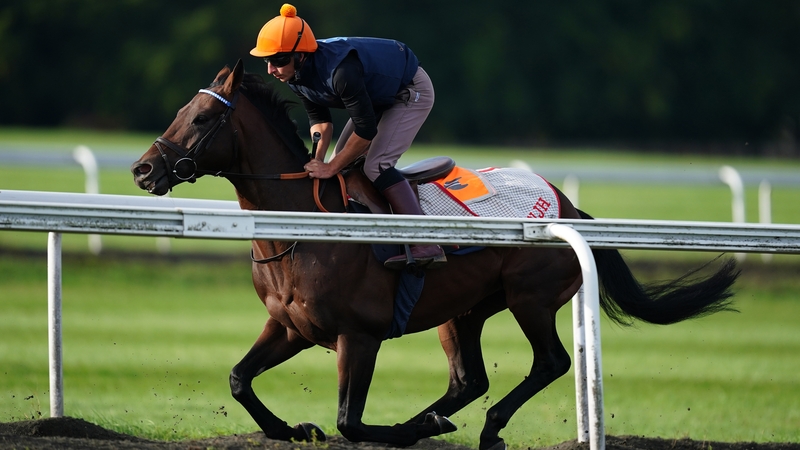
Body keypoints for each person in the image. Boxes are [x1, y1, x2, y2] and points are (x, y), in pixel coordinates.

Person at [250, 3, 445, 270]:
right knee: (339, 166)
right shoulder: (295, 75)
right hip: (376, 96)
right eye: (267, 60)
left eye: (279, 60)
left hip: (409, 90)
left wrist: (331, 166)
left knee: (375, 164)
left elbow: (366, 132)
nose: (271, 69)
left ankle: (426, 242)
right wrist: (316, 162)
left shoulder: (341, 72)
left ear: (301, 55)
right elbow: (320, 122)